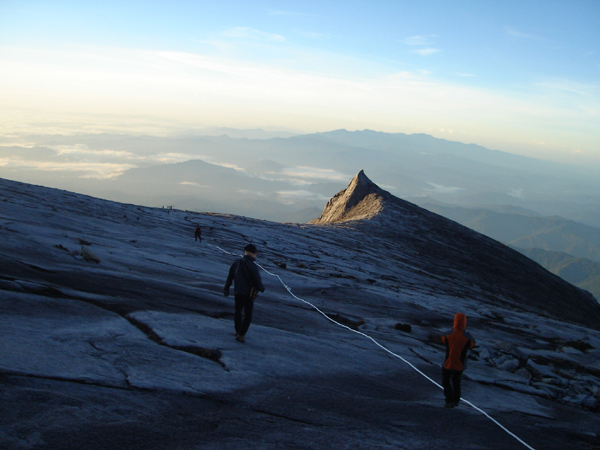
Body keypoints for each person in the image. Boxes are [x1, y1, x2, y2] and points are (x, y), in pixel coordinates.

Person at [224, 244, 265, 343]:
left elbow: (230, 276)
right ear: (252, 253)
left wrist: (226, 288)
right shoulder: (252, 265)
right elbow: (256, 279)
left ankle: (237, 331)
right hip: (248, 294)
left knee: (238, 312)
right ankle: (241, 334)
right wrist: (261, 288)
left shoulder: (237, 262)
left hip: (237, 292)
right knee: (248, 315)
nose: (255, 255)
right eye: (255, 253)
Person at [440, 313, 476, 408]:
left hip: (447, 362)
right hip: (460, 364)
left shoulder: (448, 334)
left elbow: (443, 339)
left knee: (445, 382)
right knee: (456, 382)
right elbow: (472, 344)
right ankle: (456, 401)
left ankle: (449, 400)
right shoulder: (467, 337)